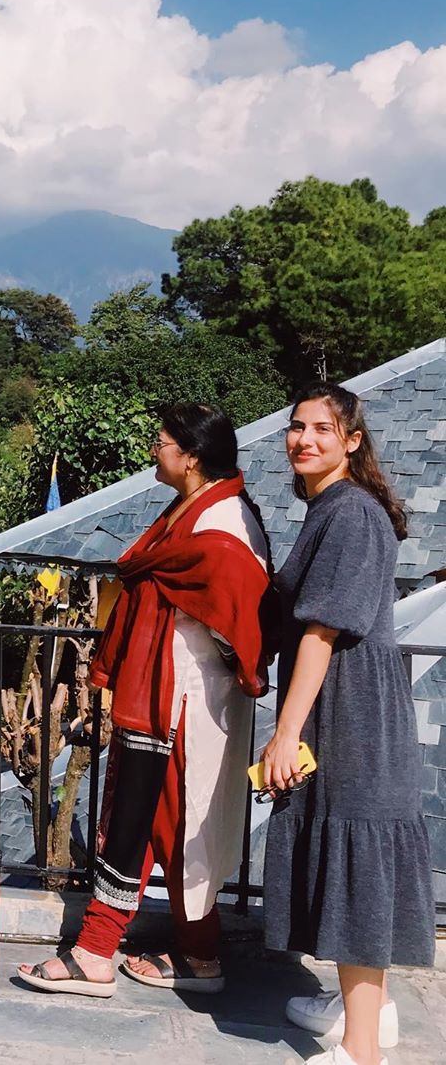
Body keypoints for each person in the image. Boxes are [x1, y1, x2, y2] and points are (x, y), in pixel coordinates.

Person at [18, 404, 274, 997]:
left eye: (162, 442)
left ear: (191, 457)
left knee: (161, 820)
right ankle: (194, 955)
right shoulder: (193, 508)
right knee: (162, 820)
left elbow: (238, 613)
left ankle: (100, 953)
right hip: (166, 693)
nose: (154, 450)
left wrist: (216, 665)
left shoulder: (226, 523)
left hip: (186, 699)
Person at [260, 384, 434, 1065]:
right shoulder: (334, 507)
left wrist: (285, 733)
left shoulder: (351, 513)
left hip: (354, 708)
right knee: (343, 844)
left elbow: (323, 631)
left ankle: (363, 1052)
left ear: (352, 440)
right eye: (297, 428)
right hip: (349, 702)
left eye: (322, 429)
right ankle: (368, 1008)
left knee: (356, 851)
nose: (304, 439)